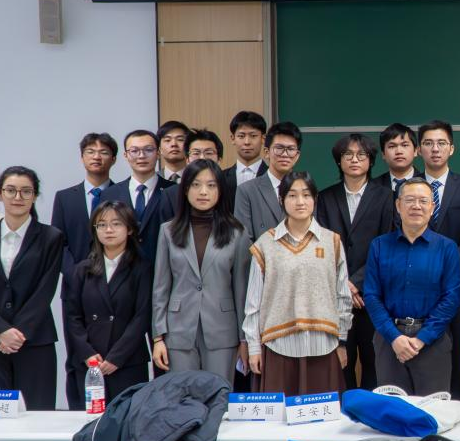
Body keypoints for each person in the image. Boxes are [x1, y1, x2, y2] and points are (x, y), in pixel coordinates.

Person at [0, 166, 66, 410]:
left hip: (35, 340)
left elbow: (45, 290)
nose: (18, 197)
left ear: (35, 196)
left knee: (36, 415)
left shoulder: (51, 237)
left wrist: (17, 333)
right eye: (10, 190)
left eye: (26, 191)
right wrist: (0, 330)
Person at [245, 171, 352, 395]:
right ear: (281, 200)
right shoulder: (265, 244)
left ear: (315, 199)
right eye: (292, 195)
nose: (300, 201)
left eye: (306, 195)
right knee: (280, 415)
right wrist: (254, 347)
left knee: (321, 414)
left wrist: (342, 342)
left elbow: (343, 296)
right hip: (278, 346)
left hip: (323, 345)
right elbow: (254, 302)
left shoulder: (331, 241)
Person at [153, 160, 251, 385]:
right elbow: (160, 288)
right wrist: (158, 337)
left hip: (222, 330)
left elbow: (241, 290)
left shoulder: (237, 232)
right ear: (185, 189)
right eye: (196, 185)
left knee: (218, 396)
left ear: (220, 190)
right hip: (178, 330)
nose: (203, 192)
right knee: (180, 397)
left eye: (211, 185)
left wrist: (244, 339)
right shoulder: (168, 231)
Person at [362, 176, 460, 394]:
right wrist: (395, 337)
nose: (416, 206)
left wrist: (422, 339)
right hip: (389, 340)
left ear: (432, 207)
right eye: (409, 200)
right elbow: (371, 295)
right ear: (398, 205)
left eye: (423, 201)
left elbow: (452, 297)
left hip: (433, 340)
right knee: (393, 409)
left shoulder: (447, 248)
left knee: (433, 410)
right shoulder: (379, 246)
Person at [315, 134, 395, 389]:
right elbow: (321, 246)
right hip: (334, 297)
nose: (354, 159)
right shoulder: (325, 198)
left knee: (374, 362)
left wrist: (356, 283)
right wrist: (343, 285)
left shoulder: (386, 197)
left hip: (372, 295)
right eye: (347, 155)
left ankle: (371, 412)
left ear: (371, 160)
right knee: (341, 364)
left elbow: (387, 244)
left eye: (361, 155)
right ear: (338, 161)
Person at [417, 119, 460, 392]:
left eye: (441, 143)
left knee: (454, 356)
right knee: (420, 357)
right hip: (417, 289)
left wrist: (441, 269)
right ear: (419, 149)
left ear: (452, 148)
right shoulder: (408, 188)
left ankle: (454, 410)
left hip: (456, 288)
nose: (435, 149)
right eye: (428, 143)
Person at [62, 201, 152, 406]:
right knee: (89, 420)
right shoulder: (82, 270)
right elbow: (72, 316)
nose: (108, 230)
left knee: (126, 418)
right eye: (102, 225)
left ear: (129, 229)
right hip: (89, 362)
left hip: (127, 362)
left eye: (116, 223)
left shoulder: (141, 268)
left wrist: (116, 358)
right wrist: (87, 354)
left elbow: (142, 316)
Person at [50, 132, 117, 282]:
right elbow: (58, 242)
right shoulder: (64, 197)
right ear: (82, 157)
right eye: (90, 152)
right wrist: (73, 273)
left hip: (114, 280)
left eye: (103, 152)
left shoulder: (122, 195)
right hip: (74, 281)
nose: (96, 157)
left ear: (113, 159)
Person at [99, 129, 173, 263]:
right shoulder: (110, 193)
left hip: (163, 266)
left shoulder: (173, 191)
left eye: (148, 150)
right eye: (134, 151)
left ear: (158, 153)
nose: (141, 156)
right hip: (122, 268)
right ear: (125, 155)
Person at [235, 121, 302, 241]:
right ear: (266, 152)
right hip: (260, 253)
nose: (285, 154)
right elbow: (243, 240)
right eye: (279, 148)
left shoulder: (306, 191)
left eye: (291, 149)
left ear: (297, 156)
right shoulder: (246, 191)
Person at [223, 110, 268, 207]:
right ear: (233, 139)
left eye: (253, 136)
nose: (247, 142)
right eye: (241, 136)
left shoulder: (273, 177)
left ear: (263, 139)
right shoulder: (221, 178)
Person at [373, 123, 420, 196]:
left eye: (405, 145)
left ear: (415, 151)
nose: (399, 151)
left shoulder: (427, 183)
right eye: (392, 146)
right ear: (383, 154)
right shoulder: (372, 187)